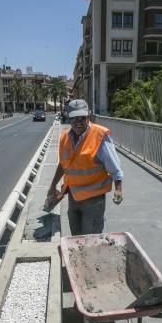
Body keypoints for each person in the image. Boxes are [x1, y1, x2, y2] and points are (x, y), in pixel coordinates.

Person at [47, 98, 123, 234]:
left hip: (94, 199)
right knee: (75, 236)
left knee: (91, 238)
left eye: (82, 118)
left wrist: (118, 188)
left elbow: (114, 167)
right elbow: (63, 164)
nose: (78, 123)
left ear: (88, 117)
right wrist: (53, 185)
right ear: (68, 118)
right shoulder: (65, 137)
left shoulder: (100, 136)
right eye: (74, 119)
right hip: (74, 196)